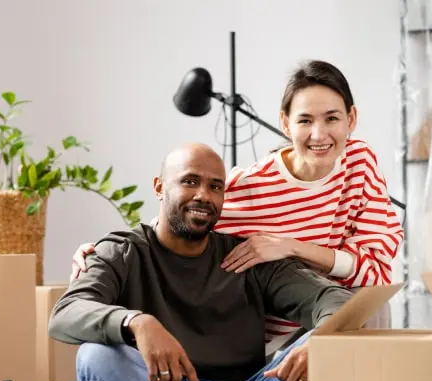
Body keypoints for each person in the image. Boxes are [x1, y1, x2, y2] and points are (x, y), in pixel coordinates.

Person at [48, 142, 354, 381]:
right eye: (190, 181)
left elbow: (337, 301)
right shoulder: (122, 252)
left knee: (325, 350)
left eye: (215, 186)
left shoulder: (246, 258)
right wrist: (137, 322)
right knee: (96, 356)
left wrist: (321, 341)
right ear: (159, 187)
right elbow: (67, 312)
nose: (203, 195)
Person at [69, 59, 404, 352]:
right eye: (305, 121)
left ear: (351, 119)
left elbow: (376, 271)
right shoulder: (248, 188)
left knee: (372, 304)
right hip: (281, 341)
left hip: (338, 317)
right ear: (286, 123)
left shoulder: (359, 161)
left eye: (332, 118)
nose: (319, 134)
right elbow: (175, 222)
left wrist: (292, 247)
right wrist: (103, 251)